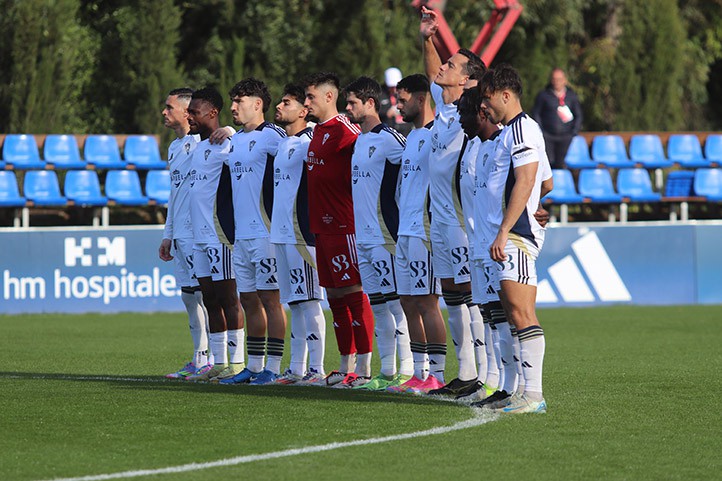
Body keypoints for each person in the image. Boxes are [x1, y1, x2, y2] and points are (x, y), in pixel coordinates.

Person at [474, 64, 554, 414]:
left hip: (516, 236)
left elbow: (526, 179)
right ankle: (522, 392)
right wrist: (537, 202)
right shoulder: (513, 132)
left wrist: (506, 229)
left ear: (505, 95)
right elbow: (546, 182)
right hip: (509, 233)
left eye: (488, 98)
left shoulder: (521, 129)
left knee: (521, 311)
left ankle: (533, 395)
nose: (485, 107)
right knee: (510, 312)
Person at [419, 5, 487, 397]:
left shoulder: (471, 116)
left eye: (452, 64)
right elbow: (432, 73)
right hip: (441, 223)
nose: (443, 66)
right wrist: (428, 37)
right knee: (453, 296)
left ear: (468, 80)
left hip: (464, 223)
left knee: (472, 298)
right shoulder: (445, 111)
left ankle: (484, 375)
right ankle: (464, 374)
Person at [302, 72, 375, 388]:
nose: (307, 103)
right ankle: (345, 365)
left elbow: (372, 148)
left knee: (354, 295)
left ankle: (365, 367)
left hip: (345, 226)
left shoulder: (346, 130)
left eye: (311, 97)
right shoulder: (316, 132)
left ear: (329, 97)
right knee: (334, 298)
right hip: (322, 229)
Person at [342, 76, 412, 391]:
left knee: (397, 304)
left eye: (353, 102)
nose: (348, 108)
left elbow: (414, 173)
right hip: (363, 237)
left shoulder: (390, 139)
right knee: (379, 304)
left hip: (386, 235)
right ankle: (385, 372)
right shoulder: (359, 141)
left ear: (371, 103)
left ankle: (408, 370)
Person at [218, 78, 288, 385]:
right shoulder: (235, 141)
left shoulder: (273, 135)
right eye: (232, 101)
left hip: (266, 234)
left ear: (257, 104)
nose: (233, 107)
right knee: (248, 300)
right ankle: (254, 366)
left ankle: (273, 366)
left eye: (239, 101)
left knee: (271, 300)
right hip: (241, 237)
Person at [386, 73, 446, 394]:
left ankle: (436, 374)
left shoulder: (439, 134)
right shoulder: (410, 137)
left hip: (424, 232)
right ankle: (419, 373)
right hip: (404, 232)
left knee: (428, 302)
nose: (398, 105)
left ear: (421, 99)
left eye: (403, 99)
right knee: (408, 300)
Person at [184, 87, 245, 382]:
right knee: (208, 298)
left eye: (194, 111)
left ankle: (236, 362)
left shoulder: (226, 143)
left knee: (228, 298)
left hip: (219, 235)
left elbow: (247, 146)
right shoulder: (197, 148)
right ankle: (218, 363)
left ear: (212, 113)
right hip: (198, 236)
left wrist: (231, 131)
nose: (189, 116)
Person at [269, 84, 327, 385]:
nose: (280, 106)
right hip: (280, 233)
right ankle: (296, 368)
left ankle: (316, 369)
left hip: (301, 233)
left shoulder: (311, 140)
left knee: (310, 300)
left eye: (287, 102)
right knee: (294, 301)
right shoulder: (284, 142)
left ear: (304, 111)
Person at [159, 88, 212, 379]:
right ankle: (198, 358)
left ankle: (211, 358)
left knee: (205, 298)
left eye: (169, 108)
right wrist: (168, 233)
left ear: (186, 111)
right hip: (179, 234)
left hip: (199, 233)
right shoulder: (174, 147)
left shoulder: (201, 142)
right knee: (189, 297)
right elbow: (174, 194)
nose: (164, 113)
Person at [531, 68, 583, 169]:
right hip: (548, 136)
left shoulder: (572, 96)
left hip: (566, 136)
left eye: (559, 79)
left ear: (564, 80)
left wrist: (574, 132)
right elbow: (536, 113)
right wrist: (541, 131)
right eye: (554, 79)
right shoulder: (543, 95)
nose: (557, 82)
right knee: (547, 163)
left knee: (560, 164)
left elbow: (578, 115)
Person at [379, 67, 412, 136]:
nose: (394, 89)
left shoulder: (406, 92)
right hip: (387, 133)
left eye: (396, 86)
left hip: (405, 132)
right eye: (391, 86)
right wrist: (386, 113)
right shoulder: (380, 94)